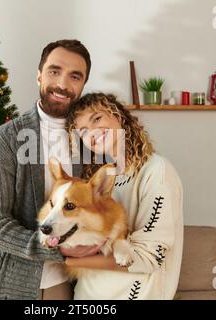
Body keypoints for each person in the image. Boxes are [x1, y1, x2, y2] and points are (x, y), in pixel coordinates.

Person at [0, 39, 100, 300]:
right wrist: (57, 248)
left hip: (66, 285)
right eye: (54, 71)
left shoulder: (91, 142)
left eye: (74, 76)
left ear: (83, 84)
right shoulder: (6, 140)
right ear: (39, 75)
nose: (63, 84)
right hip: (7, 285)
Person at [64, 92, 184, 300]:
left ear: (118, 116)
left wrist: (70, 261)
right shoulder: (95, 181)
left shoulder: (157, 172)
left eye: (97, 118)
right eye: (83, 131)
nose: (92, 132)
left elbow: (149, 258)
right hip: (87, 296)